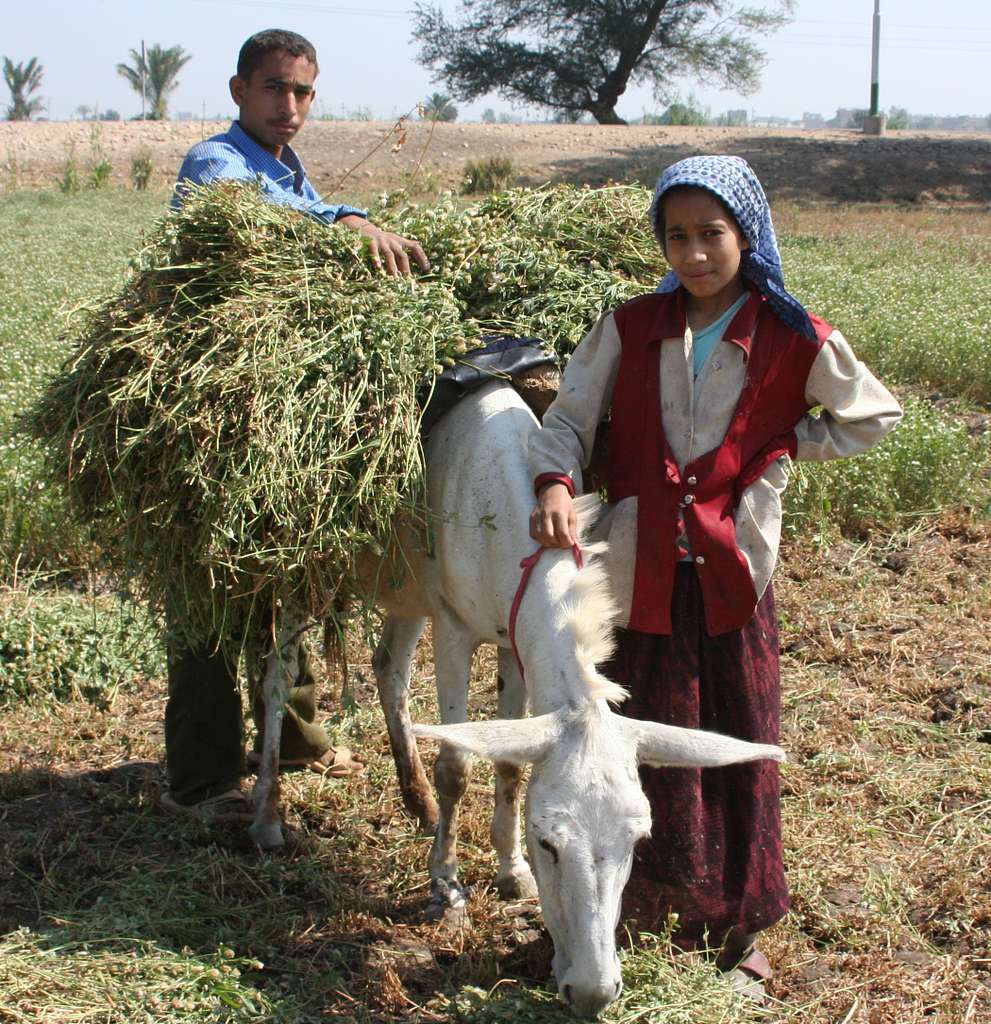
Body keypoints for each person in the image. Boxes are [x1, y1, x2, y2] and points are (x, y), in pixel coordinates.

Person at [527, 155, 901, 999]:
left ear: (748, 234)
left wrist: (778, 447)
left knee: (733, 743)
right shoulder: (629, 325)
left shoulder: (792, 334)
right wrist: (553, 482)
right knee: (626, 744)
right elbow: (566, 423)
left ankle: (735, 930)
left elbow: (873, 415)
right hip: (633, 572)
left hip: (733, 576)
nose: (693, 254)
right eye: (676, 236)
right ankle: (624, 920)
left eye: (711, 234)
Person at [162, 29, 429, 823]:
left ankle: (301, 739)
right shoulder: (217, 161)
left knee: (288, 574)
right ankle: (203, 783)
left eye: (303, 92)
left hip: (264, 395)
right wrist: (345, 226)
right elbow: (266, 224)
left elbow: (308, 205)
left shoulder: (287, 164)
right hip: (211, 402)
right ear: (239, 89)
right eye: (275, 88)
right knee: (210, 592)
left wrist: (347, 217)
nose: (290, 106)